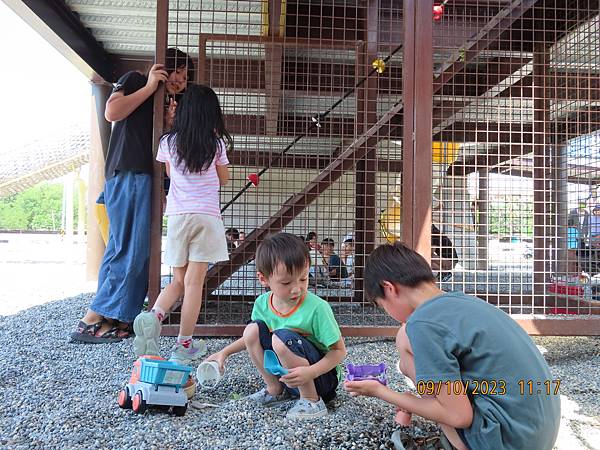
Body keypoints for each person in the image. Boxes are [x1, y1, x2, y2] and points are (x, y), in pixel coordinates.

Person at [345, 242, 560, 450]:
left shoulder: (422, 323)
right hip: (539, 433)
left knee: (404, 340)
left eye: (382, 306)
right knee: (407, 359)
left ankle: (458, 445)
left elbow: (460, 417)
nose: (387, 313)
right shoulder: (461, 301)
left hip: (508, 442)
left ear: (389, 289)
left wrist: (382, 392)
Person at [70, 48, 194, 343]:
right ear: (163, 68)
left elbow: (164, 147)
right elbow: (112, 111)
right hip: (129, 172)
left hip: (145, 178)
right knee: (129, 247)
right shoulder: (136, 79)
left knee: (136, 248)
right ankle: (93, 317)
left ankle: (117, 318)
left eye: (186, 77)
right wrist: (151, 87)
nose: (180, 80)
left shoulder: (174, 101)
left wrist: (169, 121)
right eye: (177, 72)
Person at [131, 84, 232, 364]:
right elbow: (224, 179)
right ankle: (184, 343)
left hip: (177, 217)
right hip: (206, 217)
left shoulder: (168, 143)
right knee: (194, 283)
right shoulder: (216, 145)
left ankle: (155, 315)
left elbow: (170, 173)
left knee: (178, 280)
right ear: (212, 114)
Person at [205, 233, 347, 419]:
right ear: (263, 279)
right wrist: (224, 352)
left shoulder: (317, 308)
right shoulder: (262, 304)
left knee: (281, 339)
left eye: (303, 279)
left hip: (320, 379)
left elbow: (339, 351)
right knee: (252, 329)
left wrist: (310, 372)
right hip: (289, 378)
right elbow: (250, 338)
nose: (297, 288)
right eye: (286, 282)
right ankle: (275, 389)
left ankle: (311, 400)